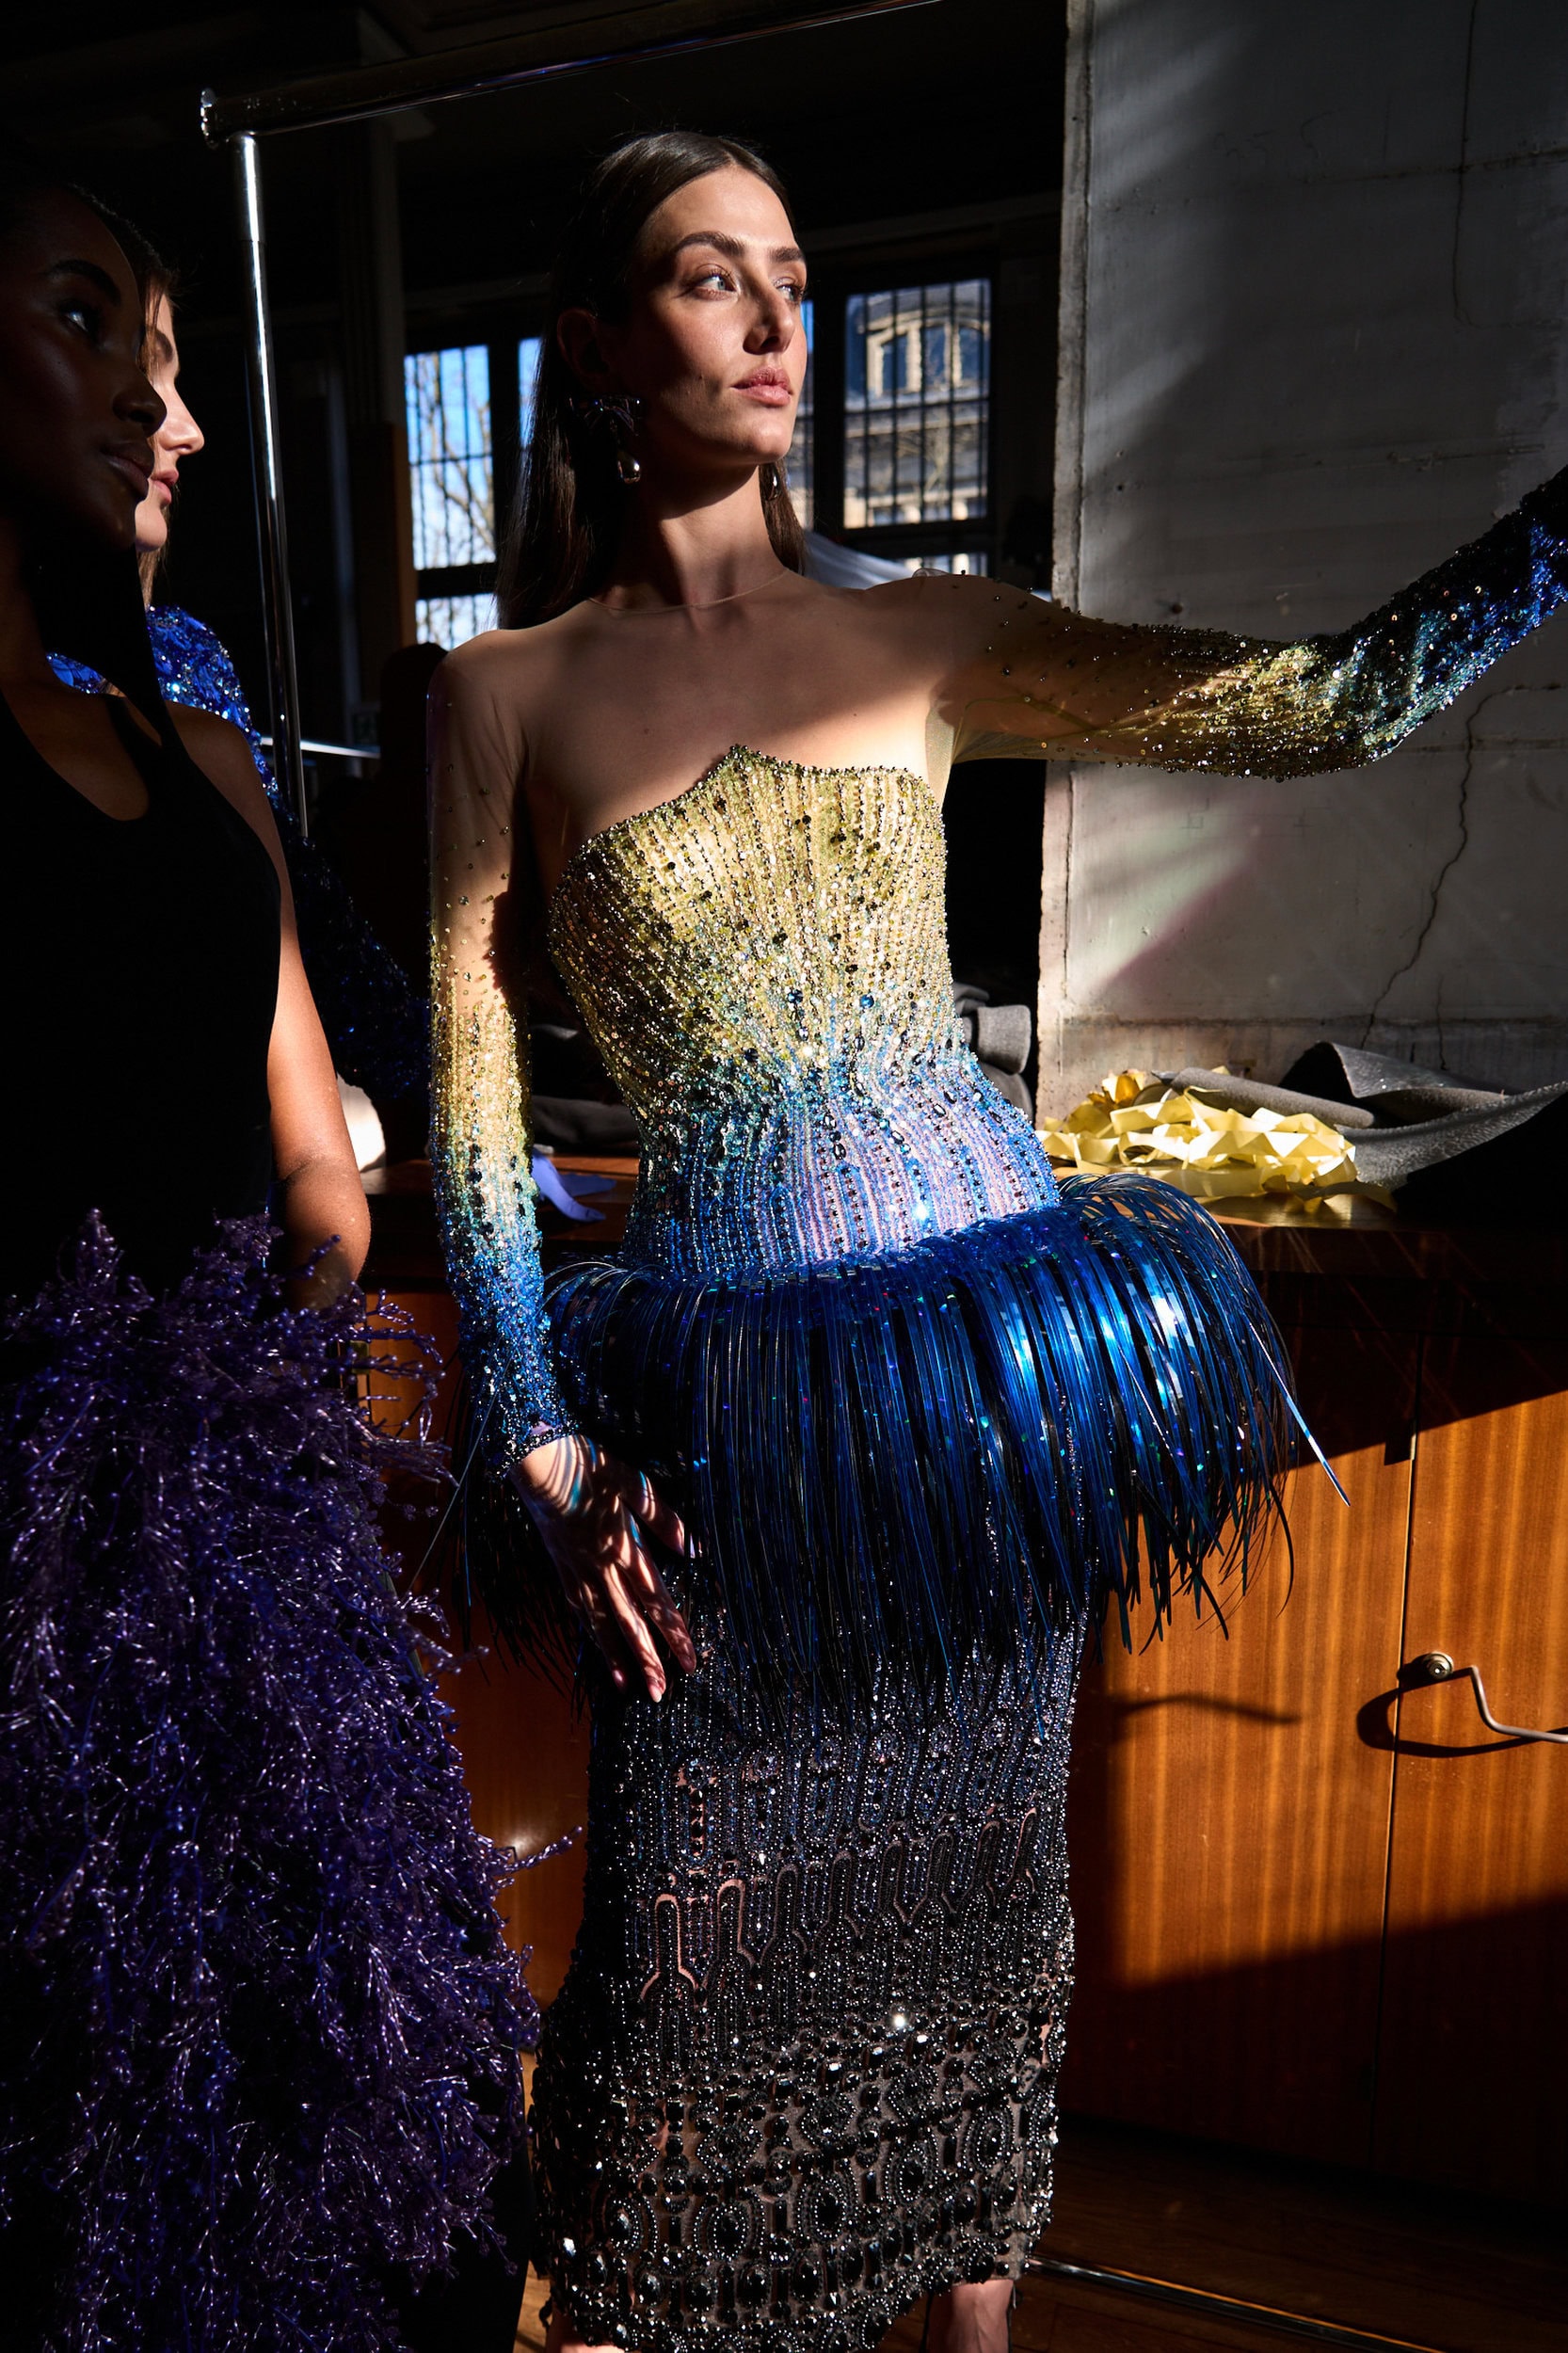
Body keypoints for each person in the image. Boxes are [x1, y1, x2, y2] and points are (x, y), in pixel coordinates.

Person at [428, 133, 1568, 2353]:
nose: (776, 323)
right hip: (734, 1440)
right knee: (674, 1988)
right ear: (595, 345)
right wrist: (543, 1446)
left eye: (792, 274)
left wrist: (1554, 536)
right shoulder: (500, 696)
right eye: (707, 279)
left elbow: (1327, 703)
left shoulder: (929, 627)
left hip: (978, 1415)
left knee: (976, 1956)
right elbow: (473, 1094)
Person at [0, 160, 531, 2351]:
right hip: (120, 1543)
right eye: (86, 321)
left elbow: (328, 1180)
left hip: (210, 1534)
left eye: (180, 357)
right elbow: (306, 1179)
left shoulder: (200, 745)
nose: (169, 407)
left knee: (295, 2116)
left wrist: (261, 1392)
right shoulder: (184, 758)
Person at [48, 235, 428, 1125]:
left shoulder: (181, 654)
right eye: (146, 371)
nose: (184, 426)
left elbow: (302, 919)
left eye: (168, 377)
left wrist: (462, 1101)